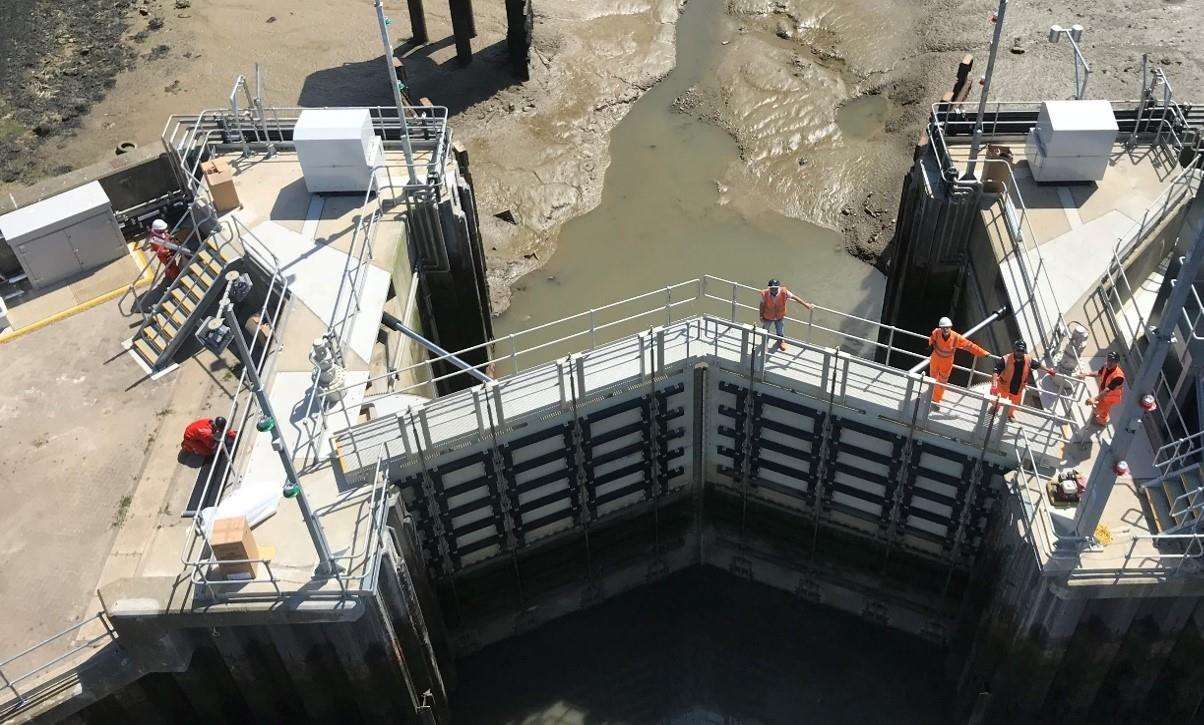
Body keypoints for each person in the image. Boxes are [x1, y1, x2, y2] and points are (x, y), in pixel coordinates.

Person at [927, 316, 990, 410]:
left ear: (951, 327)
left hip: (946, 362)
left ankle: (935, 400)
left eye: (947, 327)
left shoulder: (956, 337)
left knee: (942, 381)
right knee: (933, 378)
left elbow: (969, 346)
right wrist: (930, 344)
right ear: (940, 328)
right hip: (935, 359)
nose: (945, 329)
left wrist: (982, 353)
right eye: (943, 328)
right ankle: (932, 393)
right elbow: (931, 339)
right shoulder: (936, 332)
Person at [991, 340, 1057, 421]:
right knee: (997, 400)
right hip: (1003, 386)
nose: (1020, 353)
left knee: (1014, 404)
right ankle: (995, 409)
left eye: (1022, 351)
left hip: (1018, 388)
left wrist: (1048, 370)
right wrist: (994, 385)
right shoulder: (1006, 359)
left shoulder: (1028, 359)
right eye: (1018, 350)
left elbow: (1038, 365)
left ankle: (1010, 415)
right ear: (1014, 350)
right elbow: (996, 371)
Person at [758, 278, 813, 352]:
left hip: (779, 316)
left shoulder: (784, 292)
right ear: (769, 288)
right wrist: (761, 316)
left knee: (780, 330)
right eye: (772, 288)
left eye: (775, 288)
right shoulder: (765, 294)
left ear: (778, 287)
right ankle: (765, 344)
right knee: (765, 330)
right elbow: (761, 305)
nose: (773, 290)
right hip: (768, 316)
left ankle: (781, 342)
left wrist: (806, 305)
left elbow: (795, 297)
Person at [1078, 350, 1126, 426]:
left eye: (1112, 361)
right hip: (1103, 392)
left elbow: (1108, 390)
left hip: (1109, 397)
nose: (1110, 363)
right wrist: (1086, 374)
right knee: (1101, 408)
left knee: (1101, 409)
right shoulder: (1106, 365)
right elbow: (1099, 373)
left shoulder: (1119, 377)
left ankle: (1102, 421)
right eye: (1109, 360)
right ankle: (1100, 415)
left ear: (1117, 362)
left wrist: (1095, 398)